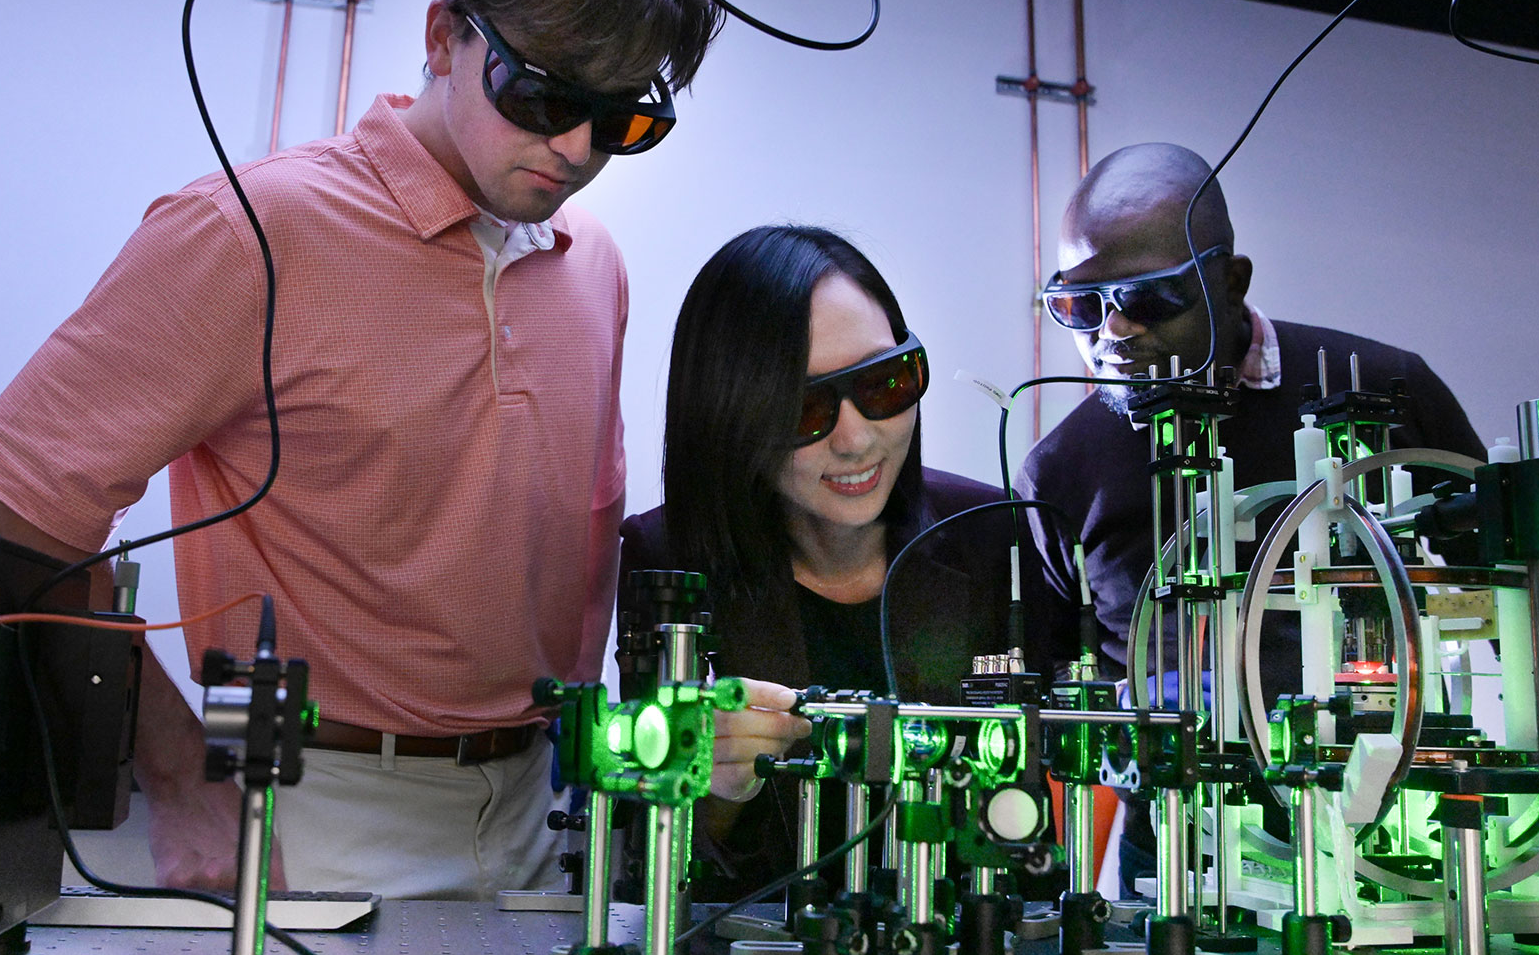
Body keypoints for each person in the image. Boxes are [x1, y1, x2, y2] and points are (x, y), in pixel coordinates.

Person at [0, 0, 722, 900]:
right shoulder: (248, 231)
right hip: (309, 812)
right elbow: (13, 504)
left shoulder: (591, 263)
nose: (578, 148)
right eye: (540, 95)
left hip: (540, 813)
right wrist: (176, 769)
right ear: (443, 34)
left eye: (625, 119)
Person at [1019, 141, 1485, 889]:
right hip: (1171, 848)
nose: (1111, 333)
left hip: (1398, 831)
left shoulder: (1385, 386)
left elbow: (1498, 597)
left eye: (1148, 298)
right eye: (1079, 304)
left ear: (1230, 282)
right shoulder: (1063, 468)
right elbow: (1053, 672)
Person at [621, 225, 1055, 898]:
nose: (857, 440)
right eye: (803, 408)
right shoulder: (671, 564)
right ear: (729, 419)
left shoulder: (993, 537)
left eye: (884, 383)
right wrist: (718, 792)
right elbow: (650, 862)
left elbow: (1029, 839)